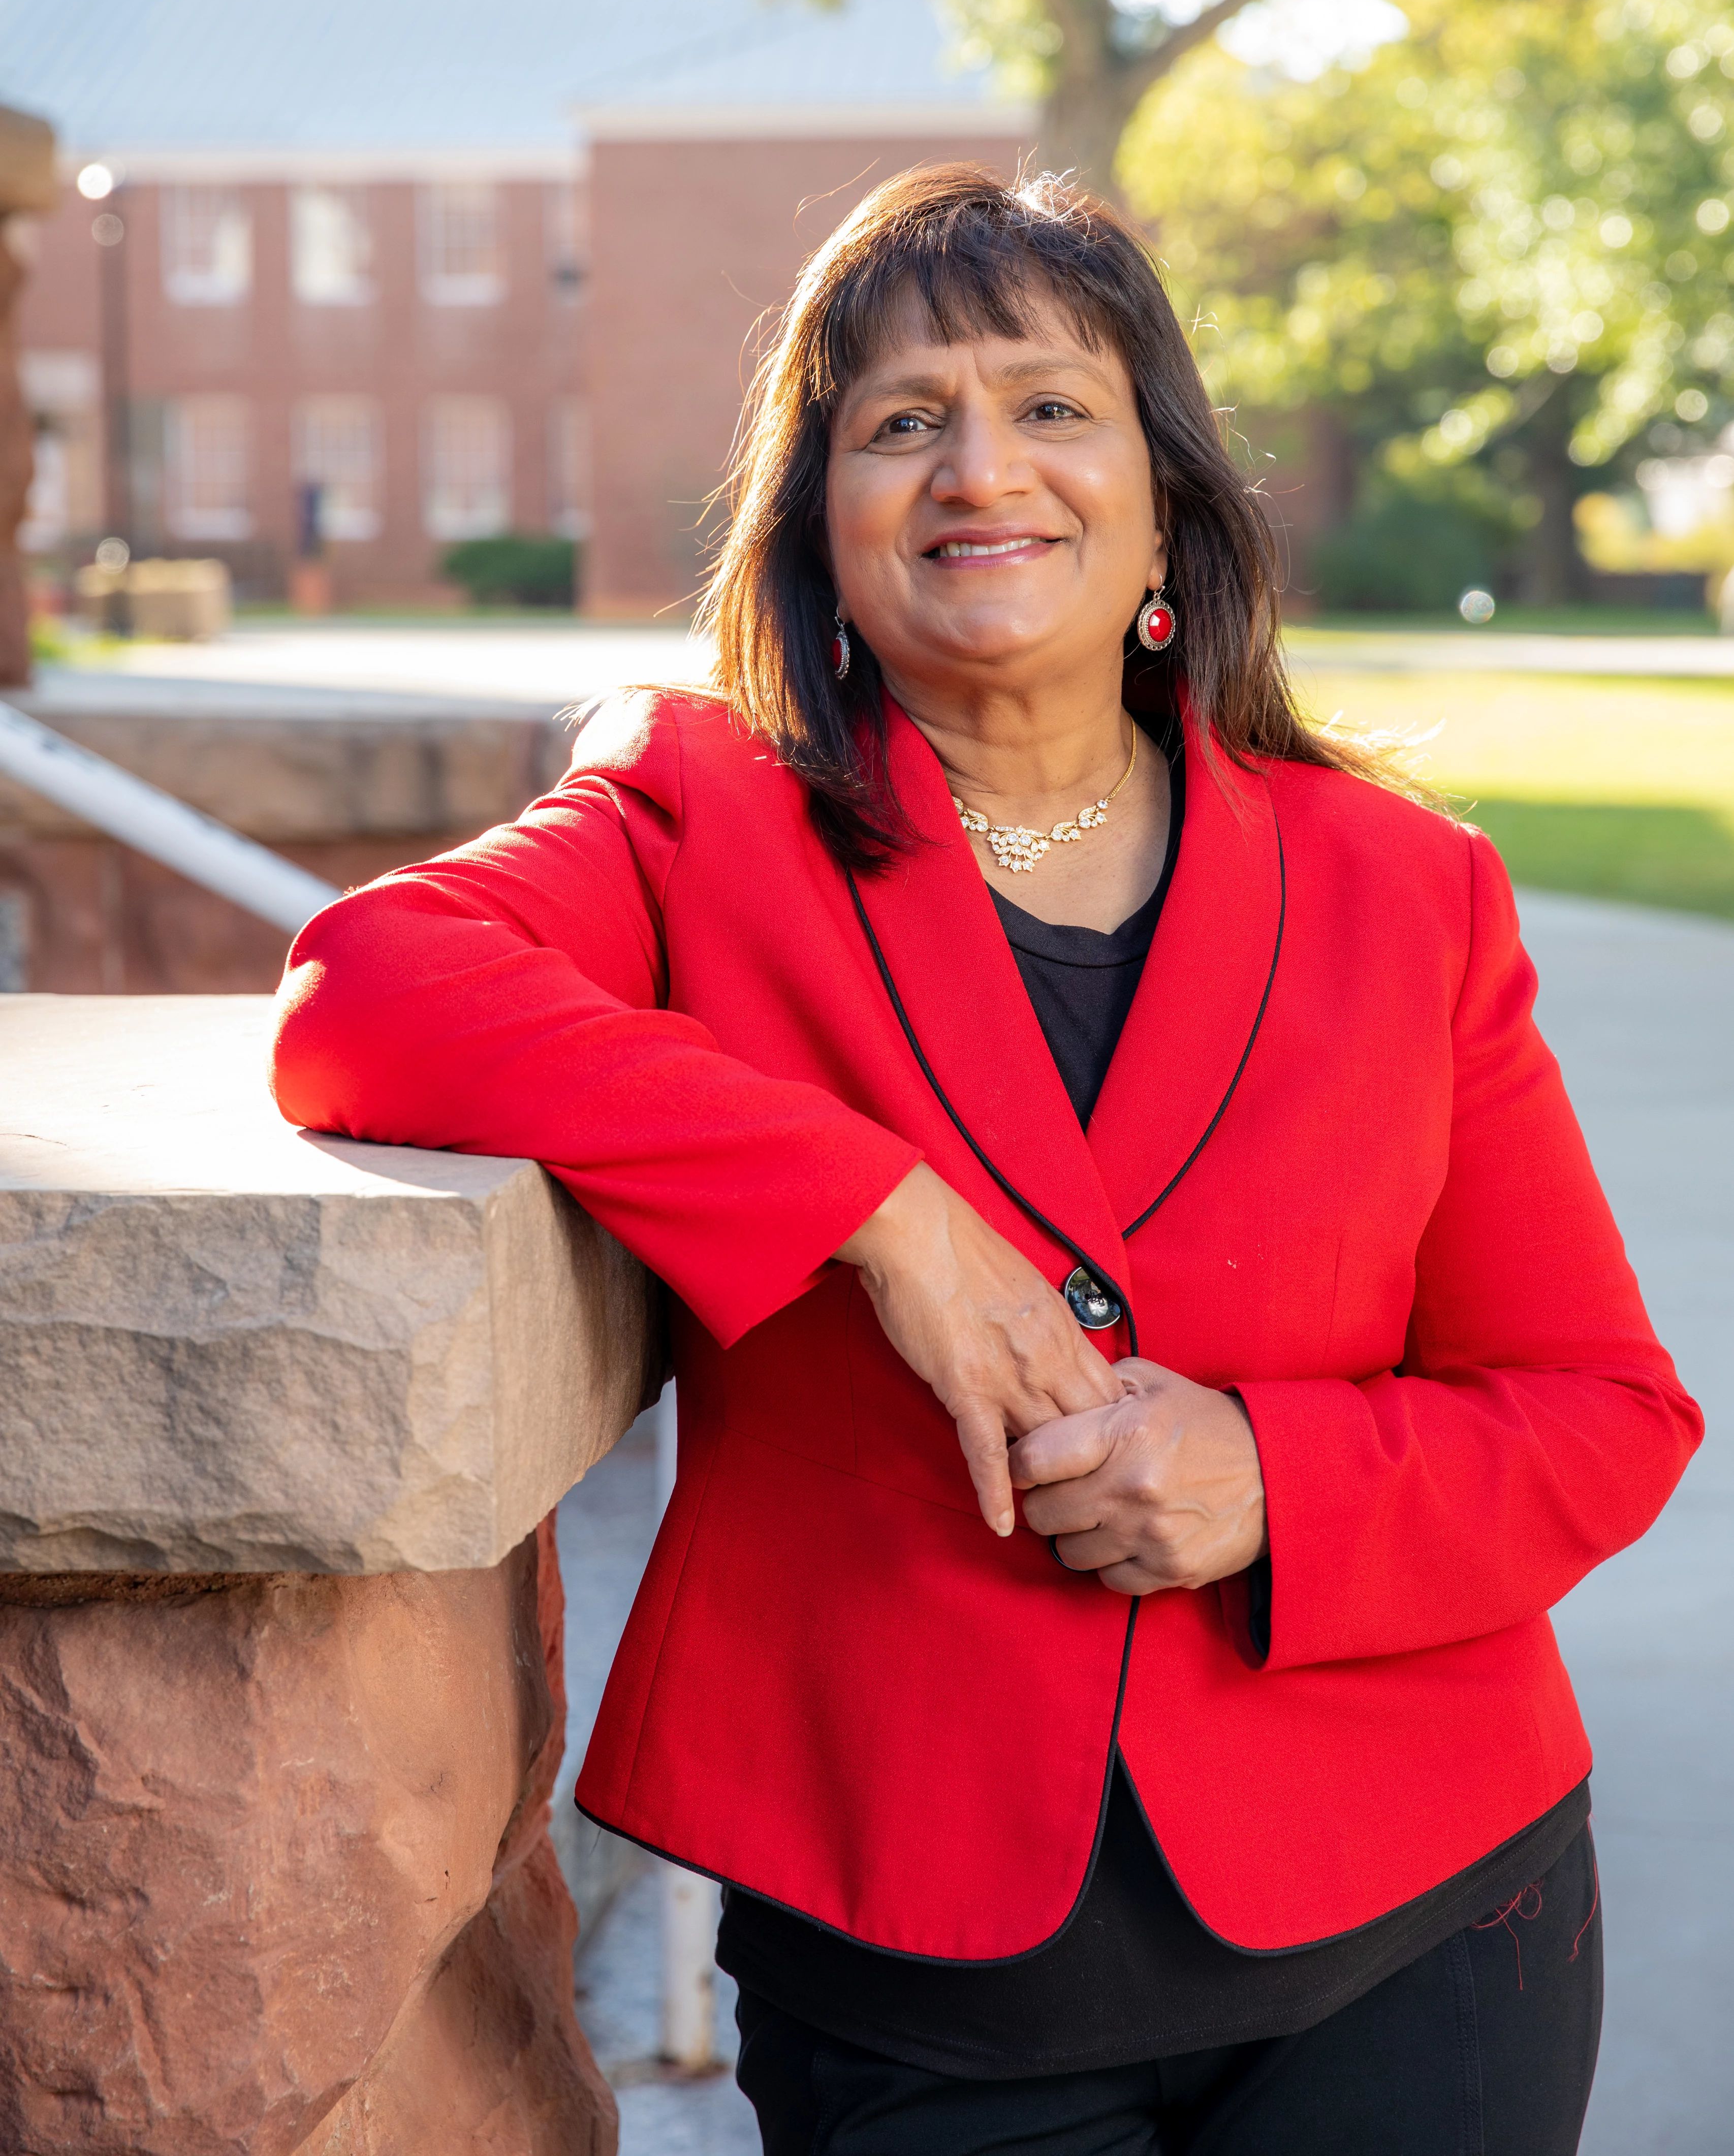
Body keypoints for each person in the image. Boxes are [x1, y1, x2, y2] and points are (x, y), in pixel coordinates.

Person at [271, 165, 1701, 2155]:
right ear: (815, 520)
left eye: (1048, 404)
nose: (978, 466)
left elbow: (1597, 1413)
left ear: (1158, 504)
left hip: (1425, 1924)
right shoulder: (692, 815)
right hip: (912, 1961)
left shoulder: (1407, 888)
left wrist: (1272, 1472)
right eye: (898, 419)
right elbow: (365, 988)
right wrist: (870, 1205)